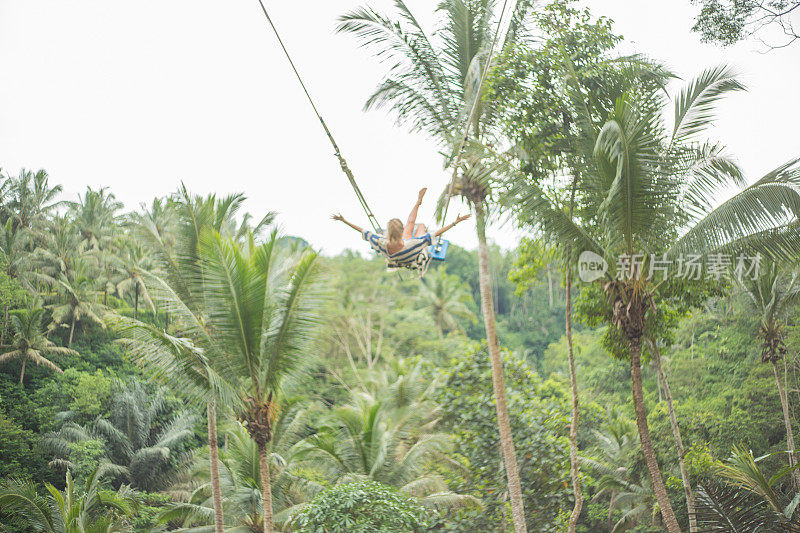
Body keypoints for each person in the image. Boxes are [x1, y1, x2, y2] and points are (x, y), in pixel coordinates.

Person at [332, 188, 471, 273]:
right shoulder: (414, 244)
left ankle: (418, 202)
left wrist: (343, 220)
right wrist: (455, 222)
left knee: (414, 225)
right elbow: (435, 234)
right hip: (411, 256)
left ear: (388, 233)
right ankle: (418, 202)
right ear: (401, 230)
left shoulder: (381, 242)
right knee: (421, 226)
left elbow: (363, 231)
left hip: (397, 251)